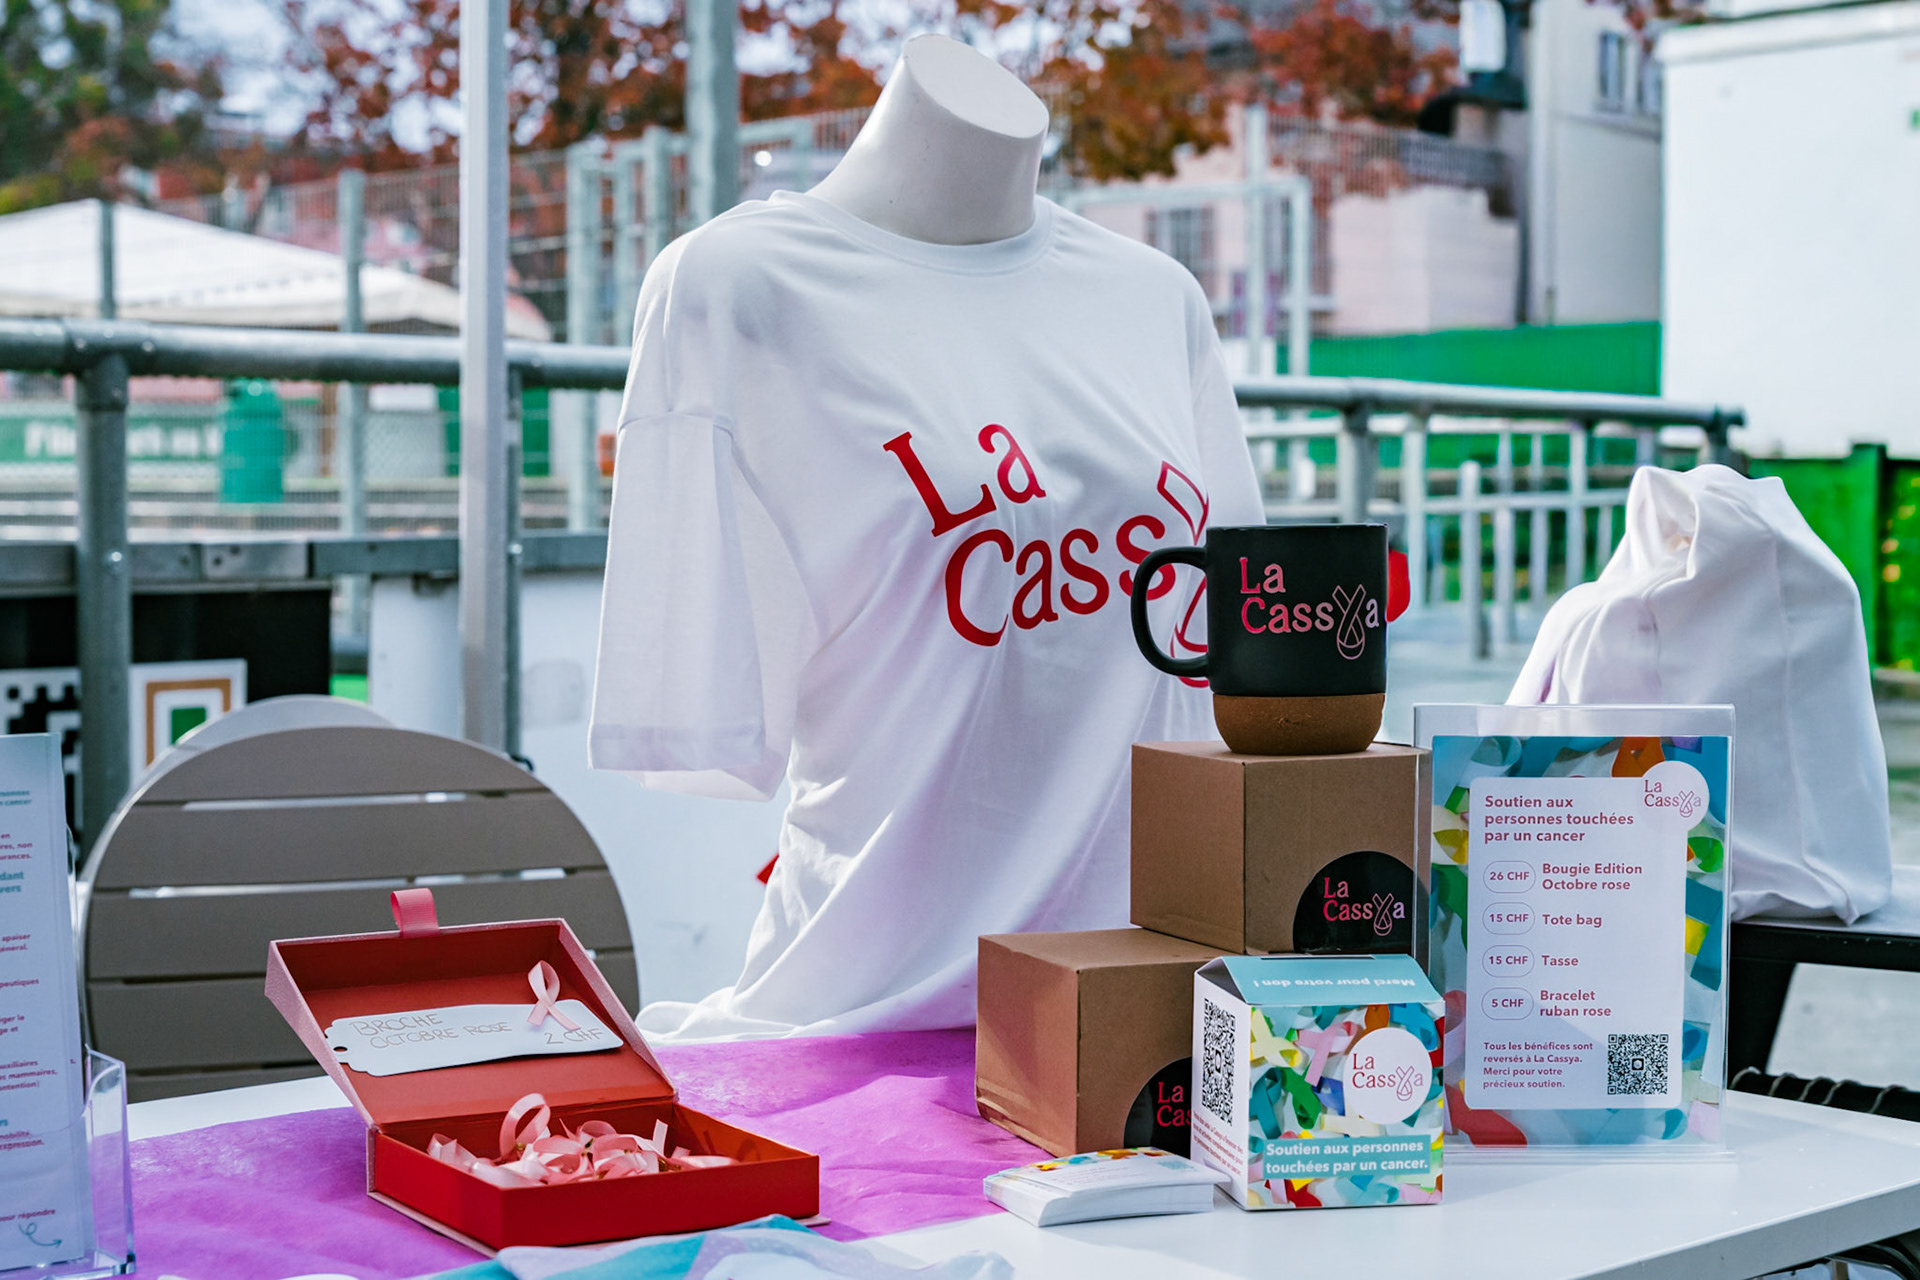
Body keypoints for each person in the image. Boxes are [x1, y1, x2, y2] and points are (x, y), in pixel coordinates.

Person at [590, 34, 1263, 1039]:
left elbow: (1233, 655)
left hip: (1142, 1011)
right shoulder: (736, 288)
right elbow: (706, 714)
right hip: (866, 1008)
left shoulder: (1155, 297)